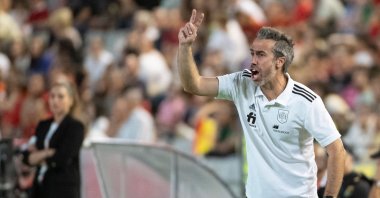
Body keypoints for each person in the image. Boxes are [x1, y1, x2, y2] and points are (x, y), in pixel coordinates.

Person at [177, 9, 346, 198]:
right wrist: (185, 47)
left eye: (261, 55)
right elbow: (194, 85)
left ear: (279, 62)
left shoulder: (306, 101)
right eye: (252, 54)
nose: (253, 61)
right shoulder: (241, 83)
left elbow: (336, 150)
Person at [22, 81, 85, 198]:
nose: (55, 101)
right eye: (52, 96)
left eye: (60, 97)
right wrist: (47, 152)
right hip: (40, 188)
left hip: (62, 189)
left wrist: (38, 156)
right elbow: (26, 156)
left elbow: (62, 158)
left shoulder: (75, 127)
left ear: (71, 101)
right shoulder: (43, 125)